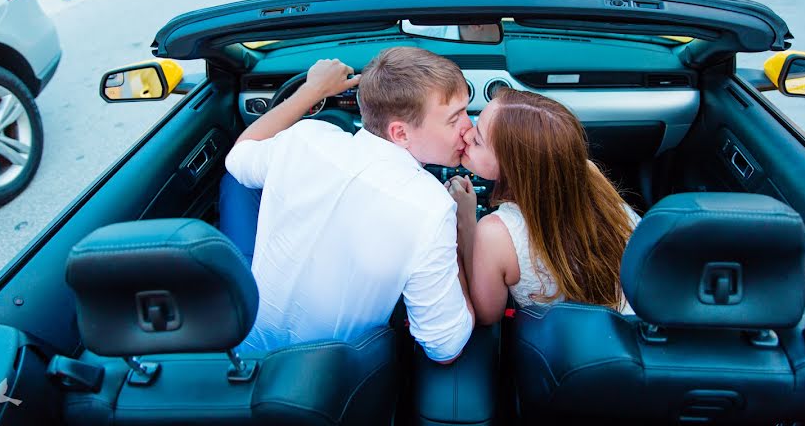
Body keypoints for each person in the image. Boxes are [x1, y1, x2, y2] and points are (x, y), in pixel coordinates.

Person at [222, 47, 475, 363]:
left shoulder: (303, 138)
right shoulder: (432, 207)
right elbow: (446, 349)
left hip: (244, 355)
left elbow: (239, 158)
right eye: (455, 119)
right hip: (331, 384)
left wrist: (312, 90)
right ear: (400, 133)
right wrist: (462, 234)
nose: (470, 127)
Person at [446, 88, 637, 324]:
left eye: (477, 140)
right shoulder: (589, 172)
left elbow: (487, 316)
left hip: (580, 351)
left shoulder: (495, 233)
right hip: (637, 323)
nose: (466, 135)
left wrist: (465, 223)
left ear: (513, 168)